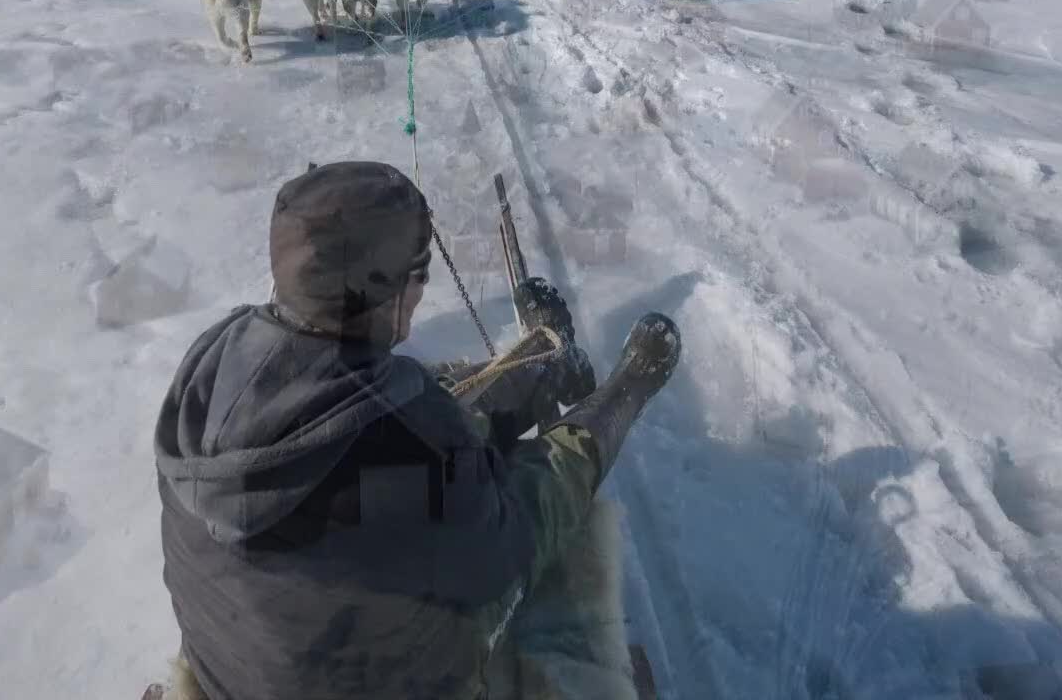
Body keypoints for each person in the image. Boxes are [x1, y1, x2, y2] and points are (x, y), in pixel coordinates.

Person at [153, 160, 681, 700]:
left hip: (238, 668)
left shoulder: (209, 371)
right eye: (422, 271)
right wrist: (590, 431)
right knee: (545, 486)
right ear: (390, 288)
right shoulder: (415, 449)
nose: (425, 289)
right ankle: (621, 391)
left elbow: (387, 419)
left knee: (427, 395)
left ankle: (544, 367)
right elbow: (514, 540)